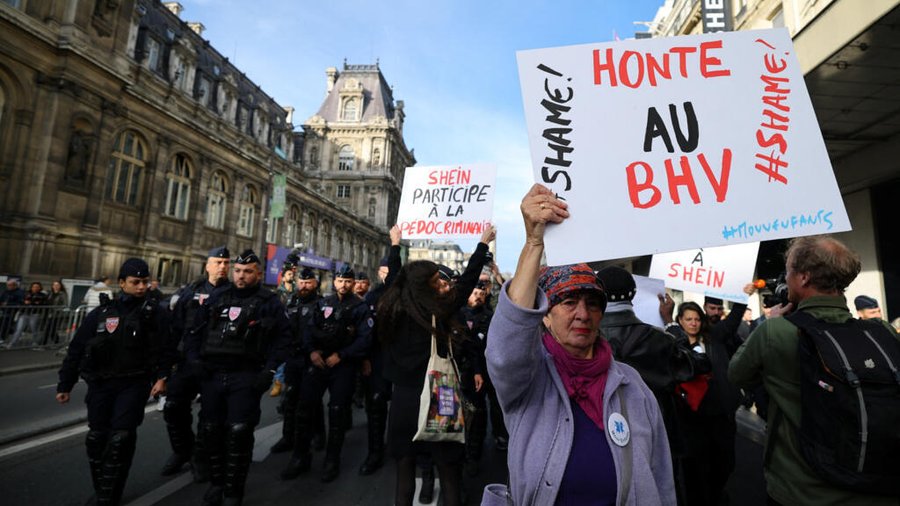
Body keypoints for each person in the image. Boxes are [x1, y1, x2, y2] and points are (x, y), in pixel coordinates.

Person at [481, 185, 675, 506]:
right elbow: (505, 349)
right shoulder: (528, 381)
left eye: (593, 304)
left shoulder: (632, 386)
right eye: (569, 302)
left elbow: (661, 476)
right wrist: (533, 242)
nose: (583, 314)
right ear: (543, 315)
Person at [729, 235, 900, 505]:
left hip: (803, 491)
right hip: (882, 487)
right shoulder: (883, 331)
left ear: (804, 278)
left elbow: (737, 373)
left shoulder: (775, 332)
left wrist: (770, 323)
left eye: (788, 271)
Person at [378, 225, 494, 506]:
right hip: (438, 396)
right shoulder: (438, 310)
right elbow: (466, 282)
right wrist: (482, 245)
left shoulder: (392, 307)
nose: (441, 284)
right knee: (449, 473)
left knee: (404, 473)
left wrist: (395, 246)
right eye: (435, 280)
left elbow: (395, 278)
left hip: (404, 401)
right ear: (424, 286)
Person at [56, 258, 171, 506]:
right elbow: (77, 349)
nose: (141, 287)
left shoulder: (155, 314)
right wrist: (65, 384)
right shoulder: (103, 313)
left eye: (145, 281)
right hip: (100, 384)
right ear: (122, 283)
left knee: (121, 438)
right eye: (135, 282)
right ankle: (102, 489)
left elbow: (165, 349)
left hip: (133, 383)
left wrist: (162, 378)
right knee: (97, 438)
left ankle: (109, 496)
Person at [595, 265, 711, 505]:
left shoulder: (584, 338)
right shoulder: (660, 338)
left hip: (600, 432)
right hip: (658, 431)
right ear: (634, 295)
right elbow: (696, 364)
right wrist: (671, 325)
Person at [185, 249, 292, 506]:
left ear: (258, 274)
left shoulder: (269, 302)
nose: (241, 276)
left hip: (245, 377)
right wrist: (194, 362)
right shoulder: (217, 297)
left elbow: (284, 340)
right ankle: (217, 483)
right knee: (211, 431)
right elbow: (194, 333)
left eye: (247, 272)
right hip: (212, 375)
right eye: (238, 271)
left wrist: (269, 371)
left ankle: (233, 491)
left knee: (239, 434)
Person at [281, 264, 374, 483]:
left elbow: (364, 340)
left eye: (348, 281)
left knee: (337, 411)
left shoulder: (360, 308)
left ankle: (332, 460)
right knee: (304, 409)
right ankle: (300, 457)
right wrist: (312, 351)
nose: (344, 285)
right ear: (334, 282)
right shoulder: (323, 304)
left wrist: (342, 355)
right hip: (319, 361)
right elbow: (309, 330)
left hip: (343, 364)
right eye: (340, 281)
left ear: (353, 284)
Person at [160, 246, 232, 481]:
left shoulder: (233, 293)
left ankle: (201, 458)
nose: (222, 266)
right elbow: (175, 328)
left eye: (225, 263)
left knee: (210, 417)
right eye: (218, 262)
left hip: (215, 364)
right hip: (187, 362)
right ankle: (183, 451)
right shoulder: (190, 291)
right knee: (172, 407)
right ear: (207, 265)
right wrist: (164, 370)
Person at [358, 226, 402, 476]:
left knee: (400, 408)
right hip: (376, 357)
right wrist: (364, 359)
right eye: (384, 272)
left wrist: (395, 244)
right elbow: (365, 331)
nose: (388, 276)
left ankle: (400, 449)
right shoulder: (371, 297)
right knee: (375, 405)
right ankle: (374, 452)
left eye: (391, 272)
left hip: (400, 357)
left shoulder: (401, 294)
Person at [271, 267, 325, 457]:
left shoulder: (322, 305)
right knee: (290, 398)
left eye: (308, 283)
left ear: (315, 284)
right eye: (301, 282)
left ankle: (318, 434)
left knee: (312, 401)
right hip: (293, 358)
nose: (304, 286)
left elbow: (326, 333)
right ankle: (287, 437)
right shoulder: (291, 302)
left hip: (312, 359)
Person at [8, 281, 49, 348]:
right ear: (31, 287)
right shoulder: (26, 293)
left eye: (37, 287)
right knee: (19, 329)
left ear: (40, 288)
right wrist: (24, 302)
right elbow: (21, 301)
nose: (35, 288)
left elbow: (44, 303)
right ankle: (13, 343)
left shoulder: (43, 295)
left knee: (34, 329)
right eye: (34, 287)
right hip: (24, 313)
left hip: (35, 314)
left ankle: (35, 342)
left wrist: (35, 303)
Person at [42, 280, 69, 346]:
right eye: (54, 285)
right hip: (48, 313)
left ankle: (43, 343)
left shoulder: (62, 294)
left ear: (60, 286)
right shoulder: (50, 293)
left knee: (50, 328)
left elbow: (65, 304)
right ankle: (55, 342)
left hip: (56, 314)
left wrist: (56, 309)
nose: (56, 287)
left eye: (57, 285)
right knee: (50, 329)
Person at [0, 279, 25, 343]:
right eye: (8, 285)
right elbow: (1, 299)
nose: (9, 286)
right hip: (3, 310)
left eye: (10, 285)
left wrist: (8, 304)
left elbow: (20, 302)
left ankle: (3, 338)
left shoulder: (19, 292)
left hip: (12, 311)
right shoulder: (6, 291)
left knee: (6, 325)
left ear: (15, 285)